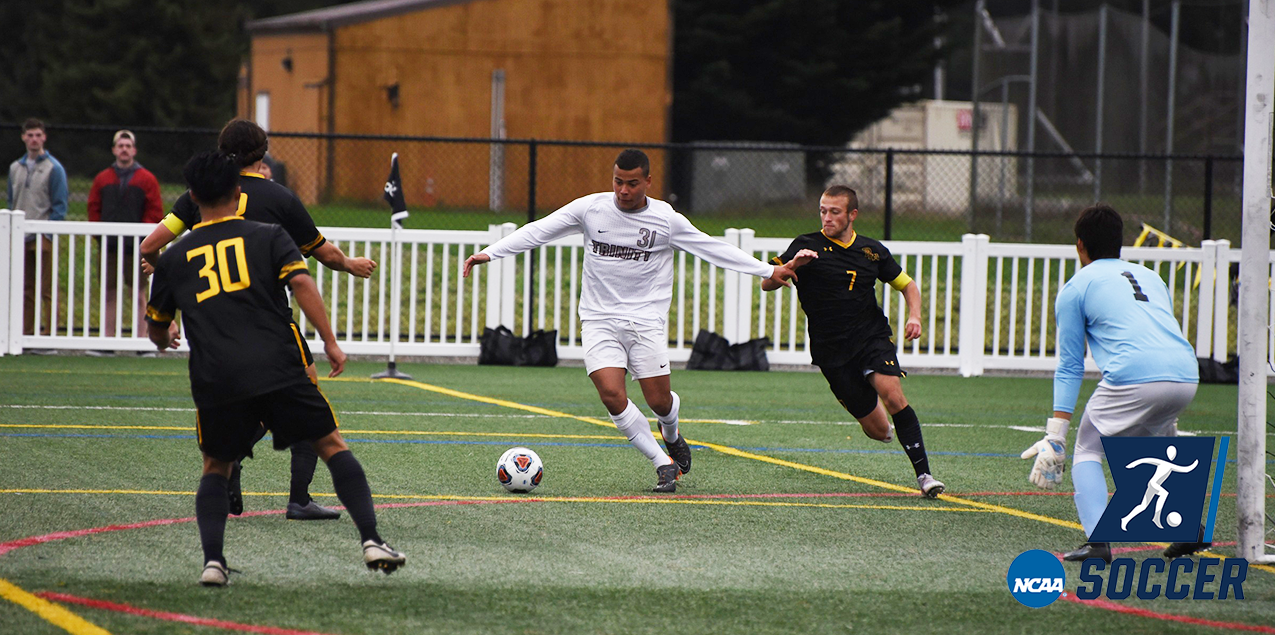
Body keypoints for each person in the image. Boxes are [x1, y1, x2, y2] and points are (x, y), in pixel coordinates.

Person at [463, 149, 803, 493]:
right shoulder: (591, 208)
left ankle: (671, 432)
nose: (623, 190)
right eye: (618, 182)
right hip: (598, 320)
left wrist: (767, 269)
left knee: (660, 402)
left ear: (648, 182)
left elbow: (712, 248)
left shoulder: (666, 220)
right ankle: (663, 464)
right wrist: (490, 253)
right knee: (611, 394)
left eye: (632, 183)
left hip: (645, 322)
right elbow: (539, 230)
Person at [146, 151, 405, 586]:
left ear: (192, 196)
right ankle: (372, 539)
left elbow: (156, 327)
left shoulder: (175, 257)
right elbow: (302, 281)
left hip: (216, 376)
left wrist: (166, 336)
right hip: (278, 365)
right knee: (331, 444)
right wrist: (329, 340)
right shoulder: (268, 236)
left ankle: (213, 562)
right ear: (237, 192)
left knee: (215, 466)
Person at [1020, 204, 1201, 563]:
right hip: (1186, 373)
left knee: (1087, 449)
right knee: (1153, 447)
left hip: (1135, 376)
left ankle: (1097, 542)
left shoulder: (1075, 288)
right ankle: (1188, 527)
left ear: (1080, 245)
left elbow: (1070, 365)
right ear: (1121, 244)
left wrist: (1056, 435)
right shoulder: (1151, 277)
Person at [763, 185, 945, 498]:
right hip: (830, 349)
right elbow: (768, 282)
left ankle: (925, 476)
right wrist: (793, 266)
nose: (827, 217)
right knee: (877, 431)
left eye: (835, 211)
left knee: (894, 397)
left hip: (870, 336)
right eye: (823, 210)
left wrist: (915, 316)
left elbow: (908, 285)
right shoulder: (805, 244)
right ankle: (886, 428)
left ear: (852, 215)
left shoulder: (872, 251)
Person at [87, 130, 164, 351]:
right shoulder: (103, 178)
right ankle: (108, 341)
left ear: (134, 150)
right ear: (113, 149)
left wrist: (144, 239)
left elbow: (155, 211)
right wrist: (98, 234)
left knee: (138, 292)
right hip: (109, 246)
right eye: (120, 145)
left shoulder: (147, 179)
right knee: (109, 292)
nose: (124, 149)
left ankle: (141, 341)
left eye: (128, 145)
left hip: (137, 248)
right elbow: (94, 208)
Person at [7, 118, 67, 342]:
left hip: (43, 234)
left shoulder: (54, 168)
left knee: (46, 287)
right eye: (30, 135)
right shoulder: (15, 168)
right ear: (23, 137)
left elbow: (60, 205)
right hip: (20, 235)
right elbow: (12, 201)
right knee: (25, 287)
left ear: (44, 137)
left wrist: (49, 233)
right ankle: (26, 332)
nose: (34, 139)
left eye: (38, 135)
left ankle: (49, 334)